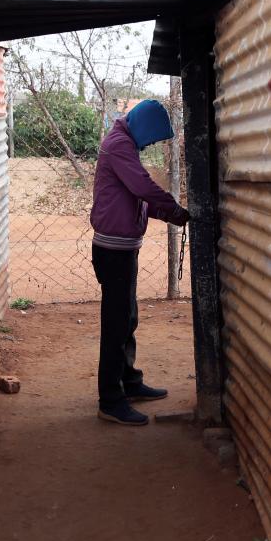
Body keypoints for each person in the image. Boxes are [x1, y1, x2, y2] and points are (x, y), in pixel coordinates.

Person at [89, 99, 190, 425]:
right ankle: (111, 399)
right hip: (113, 250)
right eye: (153, 137)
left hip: (124, 248)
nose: (151, 144)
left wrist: (176, 216)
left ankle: (129, 383)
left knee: (127, 318)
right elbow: (142, 187)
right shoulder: (119, 145)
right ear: (145, 126)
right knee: (116, 324)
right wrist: (174, 209)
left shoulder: (124, 144)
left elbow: (140, 200)